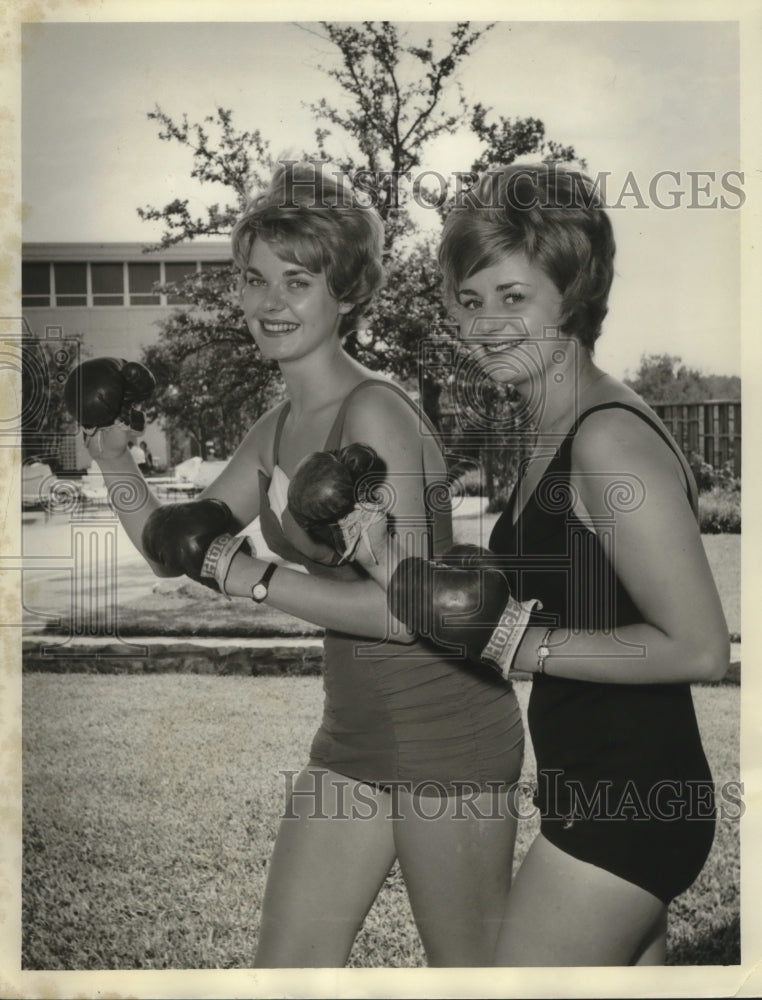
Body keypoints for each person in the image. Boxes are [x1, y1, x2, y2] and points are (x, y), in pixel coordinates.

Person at [82, 162, 525, 968]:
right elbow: (175, 545)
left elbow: (408, 609)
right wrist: (115, 461)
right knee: (284, 972)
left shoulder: (375, 411)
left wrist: (250, 577)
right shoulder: (280, 424)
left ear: (346, 292)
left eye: (298, 281)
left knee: (472, 978)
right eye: (255, 280)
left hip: (446, 732)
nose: (270, 304)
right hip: (354, 735)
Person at [357, 163, 728, 966]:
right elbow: (554, 599)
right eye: (470, 299)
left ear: (574, 293)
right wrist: (392, 561)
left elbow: (699, 645)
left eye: (514, 298)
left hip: (628, 806)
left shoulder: (606, 438)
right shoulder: (549, 432)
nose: (485, 325)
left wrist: (516, 644)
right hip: (591, 792)